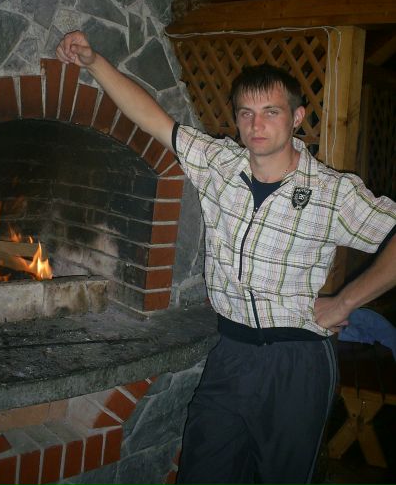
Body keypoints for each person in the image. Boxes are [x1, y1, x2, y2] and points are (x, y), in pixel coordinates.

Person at [56, 31, 396, 485]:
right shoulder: (218, 163)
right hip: (230, 353)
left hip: (296, 362)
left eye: (271, 111)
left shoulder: (333, 193)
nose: (256, 124)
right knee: (203, 470)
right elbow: (151, 118)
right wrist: (94, 61)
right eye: (246, 113)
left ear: (296, 117)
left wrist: (345, 301)